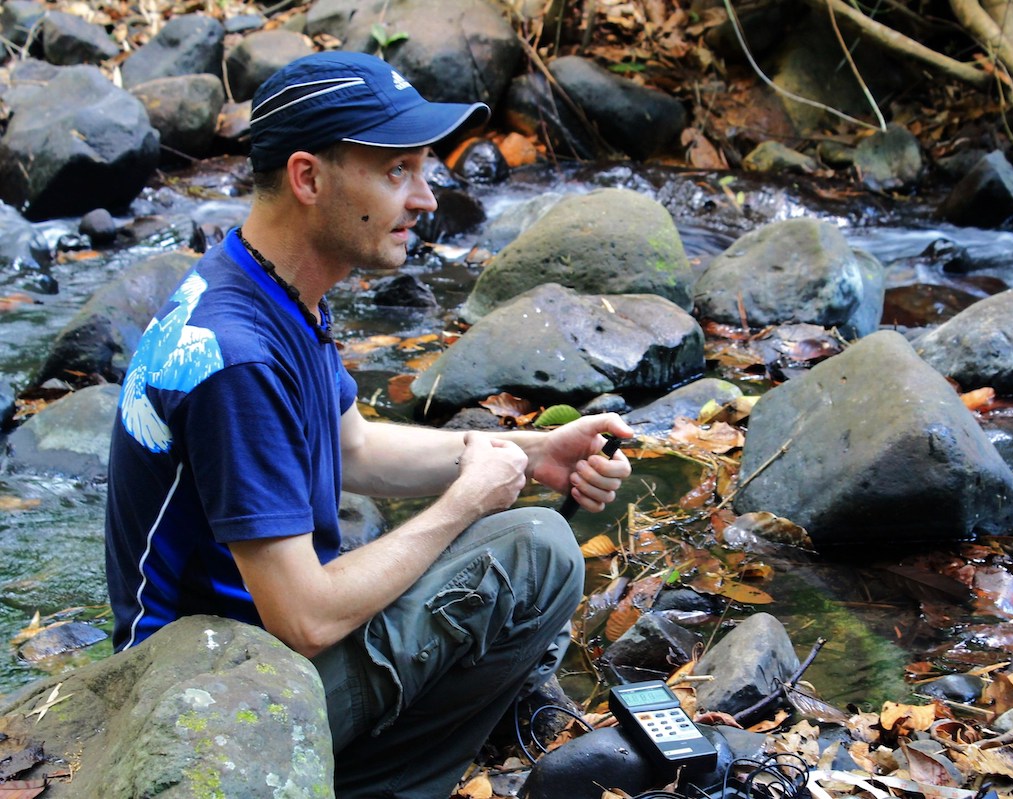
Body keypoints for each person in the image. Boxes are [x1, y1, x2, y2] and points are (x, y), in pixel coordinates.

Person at [104, 51, 634, 798]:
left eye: (423, 170)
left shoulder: (262, 286)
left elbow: (354, 446)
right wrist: (463, 504)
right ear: (308, 179)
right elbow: (305, 618)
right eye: (397, 172)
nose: (424, 198)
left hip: (234, 664)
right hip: (215, 712)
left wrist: (536, 450)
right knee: (536, 550)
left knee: (514, 541)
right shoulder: (239, 357)